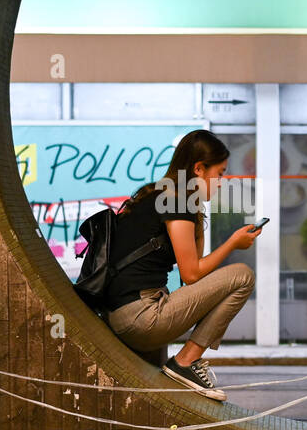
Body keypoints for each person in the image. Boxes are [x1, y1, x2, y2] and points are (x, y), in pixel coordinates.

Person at [102, 129, 261, 400]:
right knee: (243, 276)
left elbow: (193, 277)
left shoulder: (164, 195)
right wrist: (233, 243)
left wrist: (198, 210)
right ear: (199, 169)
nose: (221, 183)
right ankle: (185, 362)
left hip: (128, 313)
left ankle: (185, 363)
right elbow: (191, 273)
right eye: (219, 174)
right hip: (141, 317)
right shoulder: (175, 201)